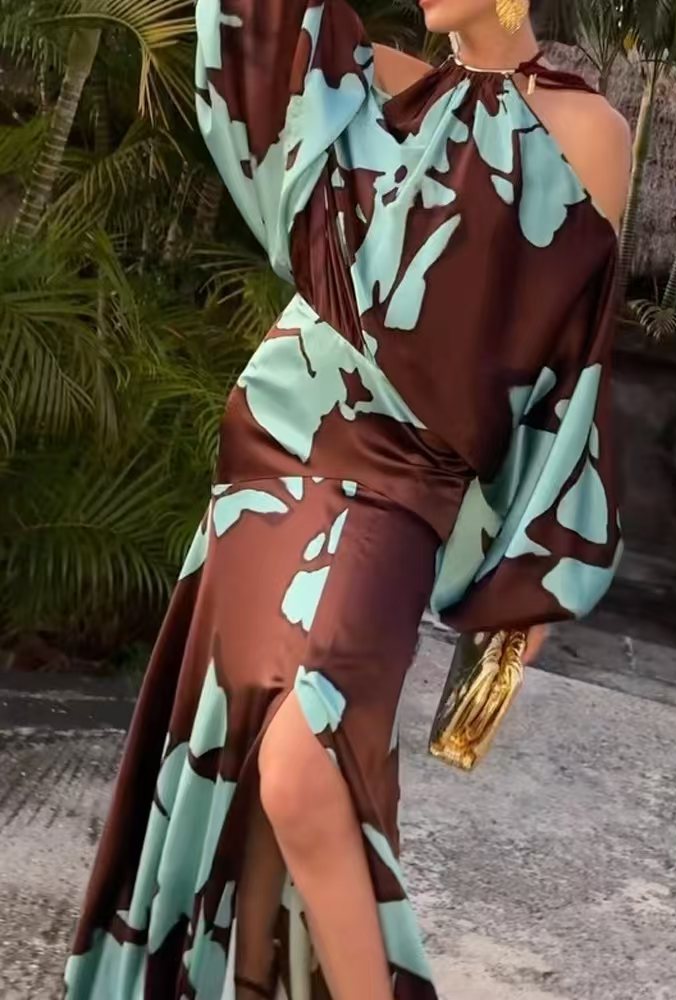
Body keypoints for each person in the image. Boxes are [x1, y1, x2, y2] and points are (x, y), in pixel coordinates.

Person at [64, 0, 631, 995]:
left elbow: (569, 362)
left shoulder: (589, 129)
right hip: (277, 447)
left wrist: (539, 562)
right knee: (247, 780)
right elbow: (256, 29)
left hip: (405, 479)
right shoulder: (385, 84)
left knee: (302, 764)